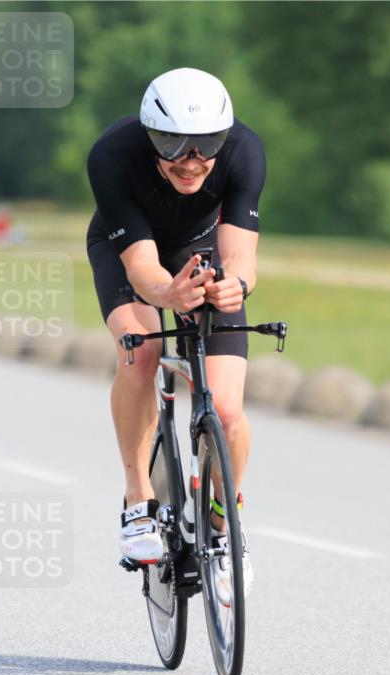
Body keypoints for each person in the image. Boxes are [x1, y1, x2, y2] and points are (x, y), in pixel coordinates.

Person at [86, 67, 266, 599]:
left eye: (204, 145)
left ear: (224, 137)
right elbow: (142, 268)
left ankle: (222, 522)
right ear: (149, 136)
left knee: (228, 412)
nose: (190, 161)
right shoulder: (112, 155)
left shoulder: (245, 151)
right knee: (142, 354)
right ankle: (139, 499)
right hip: (128, 254)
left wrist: (235, 287)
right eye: (172, 145)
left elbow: (242, 258)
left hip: (200, 249)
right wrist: (165, 295)